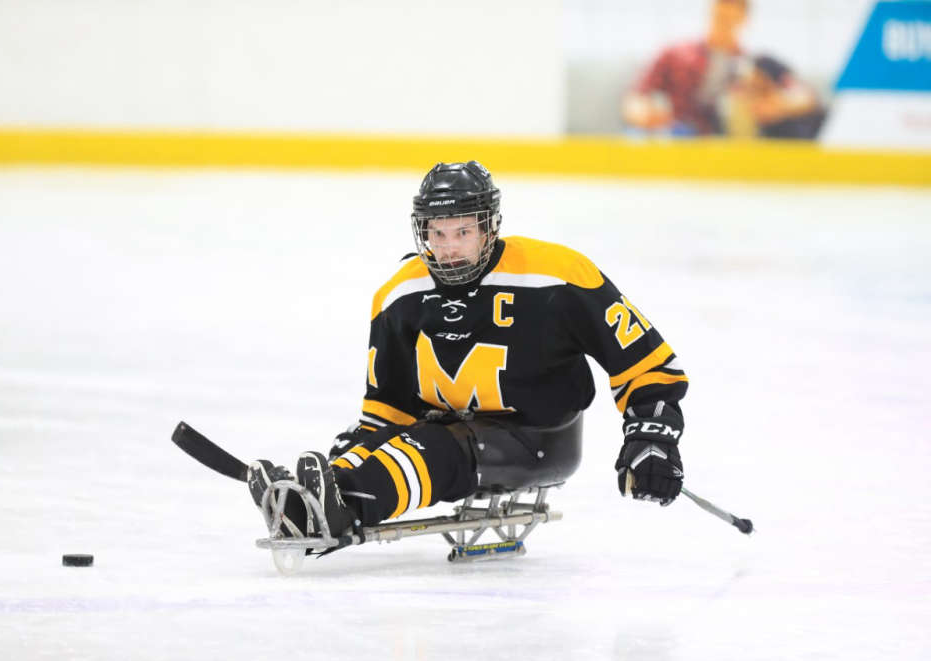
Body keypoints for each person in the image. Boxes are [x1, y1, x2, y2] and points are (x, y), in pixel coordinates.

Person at [247, 161, 689, 542]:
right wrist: (352, 458)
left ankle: (341, 508)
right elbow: (390, 409)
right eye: (437, 233)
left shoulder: (558, 275)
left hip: (540, 436)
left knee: (433, 445)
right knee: (398, 443)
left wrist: (651, 437)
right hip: (451, 429)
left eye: (462, 231)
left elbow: (645, 362)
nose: (449, 247)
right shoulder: (399, 294)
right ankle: (311, 503)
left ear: (489, 226)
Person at [622, 0, 749, 136]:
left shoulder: (749, 68)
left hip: (719, 143)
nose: (722, 26)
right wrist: (642, 114)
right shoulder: (675, 54)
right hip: (671, 135)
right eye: (719, 18)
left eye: (729, 21)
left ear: (743, 20)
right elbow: (636, 98)